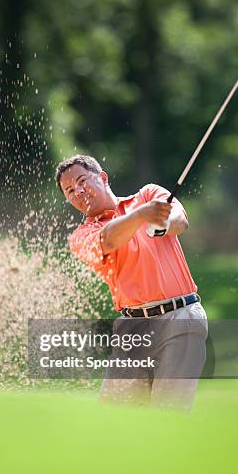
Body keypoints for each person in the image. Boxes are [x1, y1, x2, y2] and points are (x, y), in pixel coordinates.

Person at [56, 154, 208, 410]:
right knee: (116, 418)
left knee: (169, 414)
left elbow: (180, 219)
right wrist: (140, 217)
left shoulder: (149, 194)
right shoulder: (82, 235)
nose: (78, 191)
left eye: (82, 181)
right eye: (70, 191)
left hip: (182, 316)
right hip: (133, 328)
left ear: (102, 177)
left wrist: (162, 225)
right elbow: (110, 240)